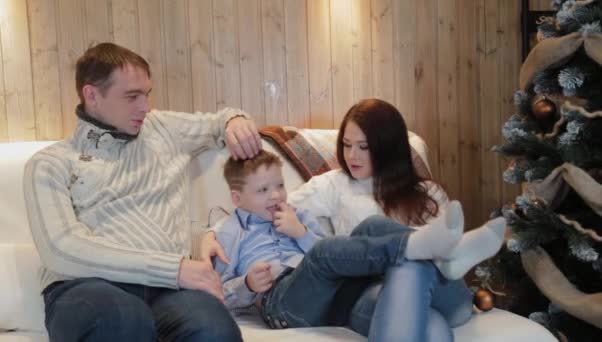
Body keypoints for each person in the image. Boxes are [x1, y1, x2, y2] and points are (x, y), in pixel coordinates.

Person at [23, 42, 261, 342]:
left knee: (215, 331)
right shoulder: (50, 164)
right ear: (92, 95)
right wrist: (174, 269)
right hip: (88, 288)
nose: (144, 107)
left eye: (146, 94)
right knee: (122, 321)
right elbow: (61, 248)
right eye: (132, 96)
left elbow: (217, 123)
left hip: (167, 292)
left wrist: (234, 121)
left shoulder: (161, 128)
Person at [209, 148, 504, 340]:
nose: (276, 196)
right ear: (237, 198)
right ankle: (426, 247)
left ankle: (441, 260)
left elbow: (336, 260)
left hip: (336, 293)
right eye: (263, 190)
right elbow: (217, 293)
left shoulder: (298, 216)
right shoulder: (230, 232)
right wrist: (246, 285)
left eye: (280, 185)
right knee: (325, 252)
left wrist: (301, 233)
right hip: (282, 303)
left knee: (372, 227)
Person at [286, 98, 507, 341]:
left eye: (364, 147)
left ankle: (441, 257)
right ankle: (438, 253)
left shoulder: (428, 193)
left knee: (393, 243)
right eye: (347, 145)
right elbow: (270, 207)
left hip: (448, 298)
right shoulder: (333, 184)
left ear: (388, 147)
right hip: (371, 291)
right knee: (433, 327)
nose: (351, 155)